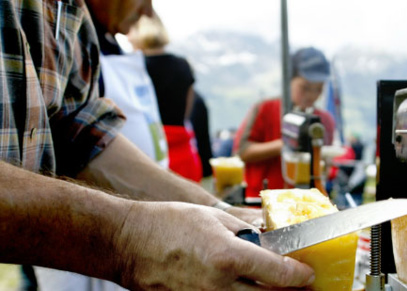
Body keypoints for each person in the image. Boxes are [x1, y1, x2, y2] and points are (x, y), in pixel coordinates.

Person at [0, 0, 314, 290]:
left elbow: (80, 133)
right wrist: (128, 237)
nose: (149, 12)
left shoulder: (67, 9)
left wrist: (222, 212)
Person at [233, 47, 335, 198]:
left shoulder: (324, 121)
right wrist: (285, 144)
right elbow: (242, 151)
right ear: (289, 80)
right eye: (305, 88)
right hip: (261, 200)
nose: (311, 95)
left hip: (305, 201)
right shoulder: (265, 109)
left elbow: (324, 167)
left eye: (318, 90)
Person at [128, 14, 203, 182]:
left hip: (147, 149)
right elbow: (186, 113)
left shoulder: (132, 66)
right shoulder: (183, 65)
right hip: (183, 148)